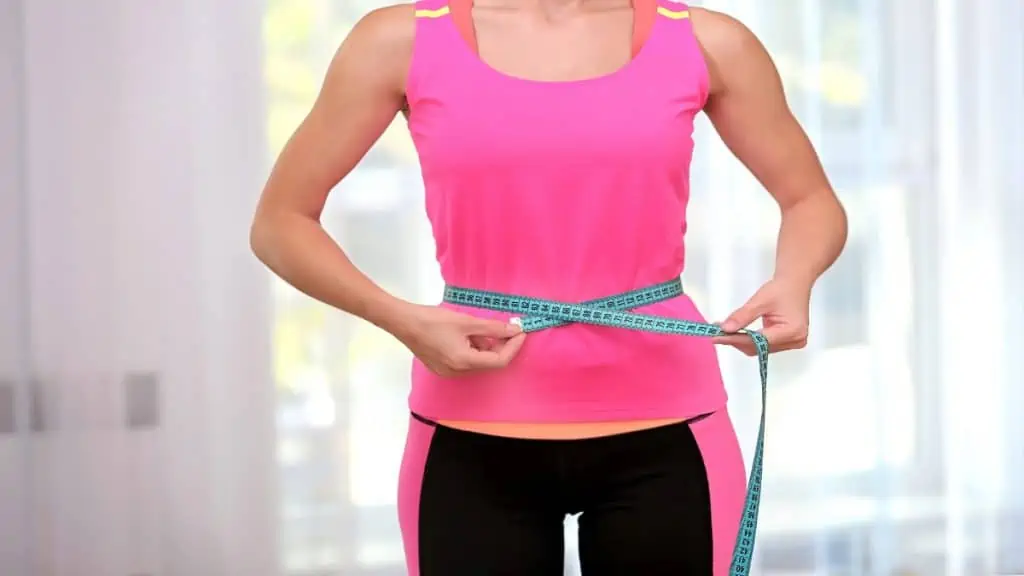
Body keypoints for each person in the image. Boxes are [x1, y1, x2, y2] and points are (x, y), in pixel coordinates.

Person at [250, 0, 847, 573]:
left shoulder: (708, 41)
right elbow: (280, 223)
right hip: (469, 432)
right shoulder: (398, 40)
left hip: (669, 432)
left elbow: (810, 199)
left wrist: (795, 282)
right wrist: (402, 319)